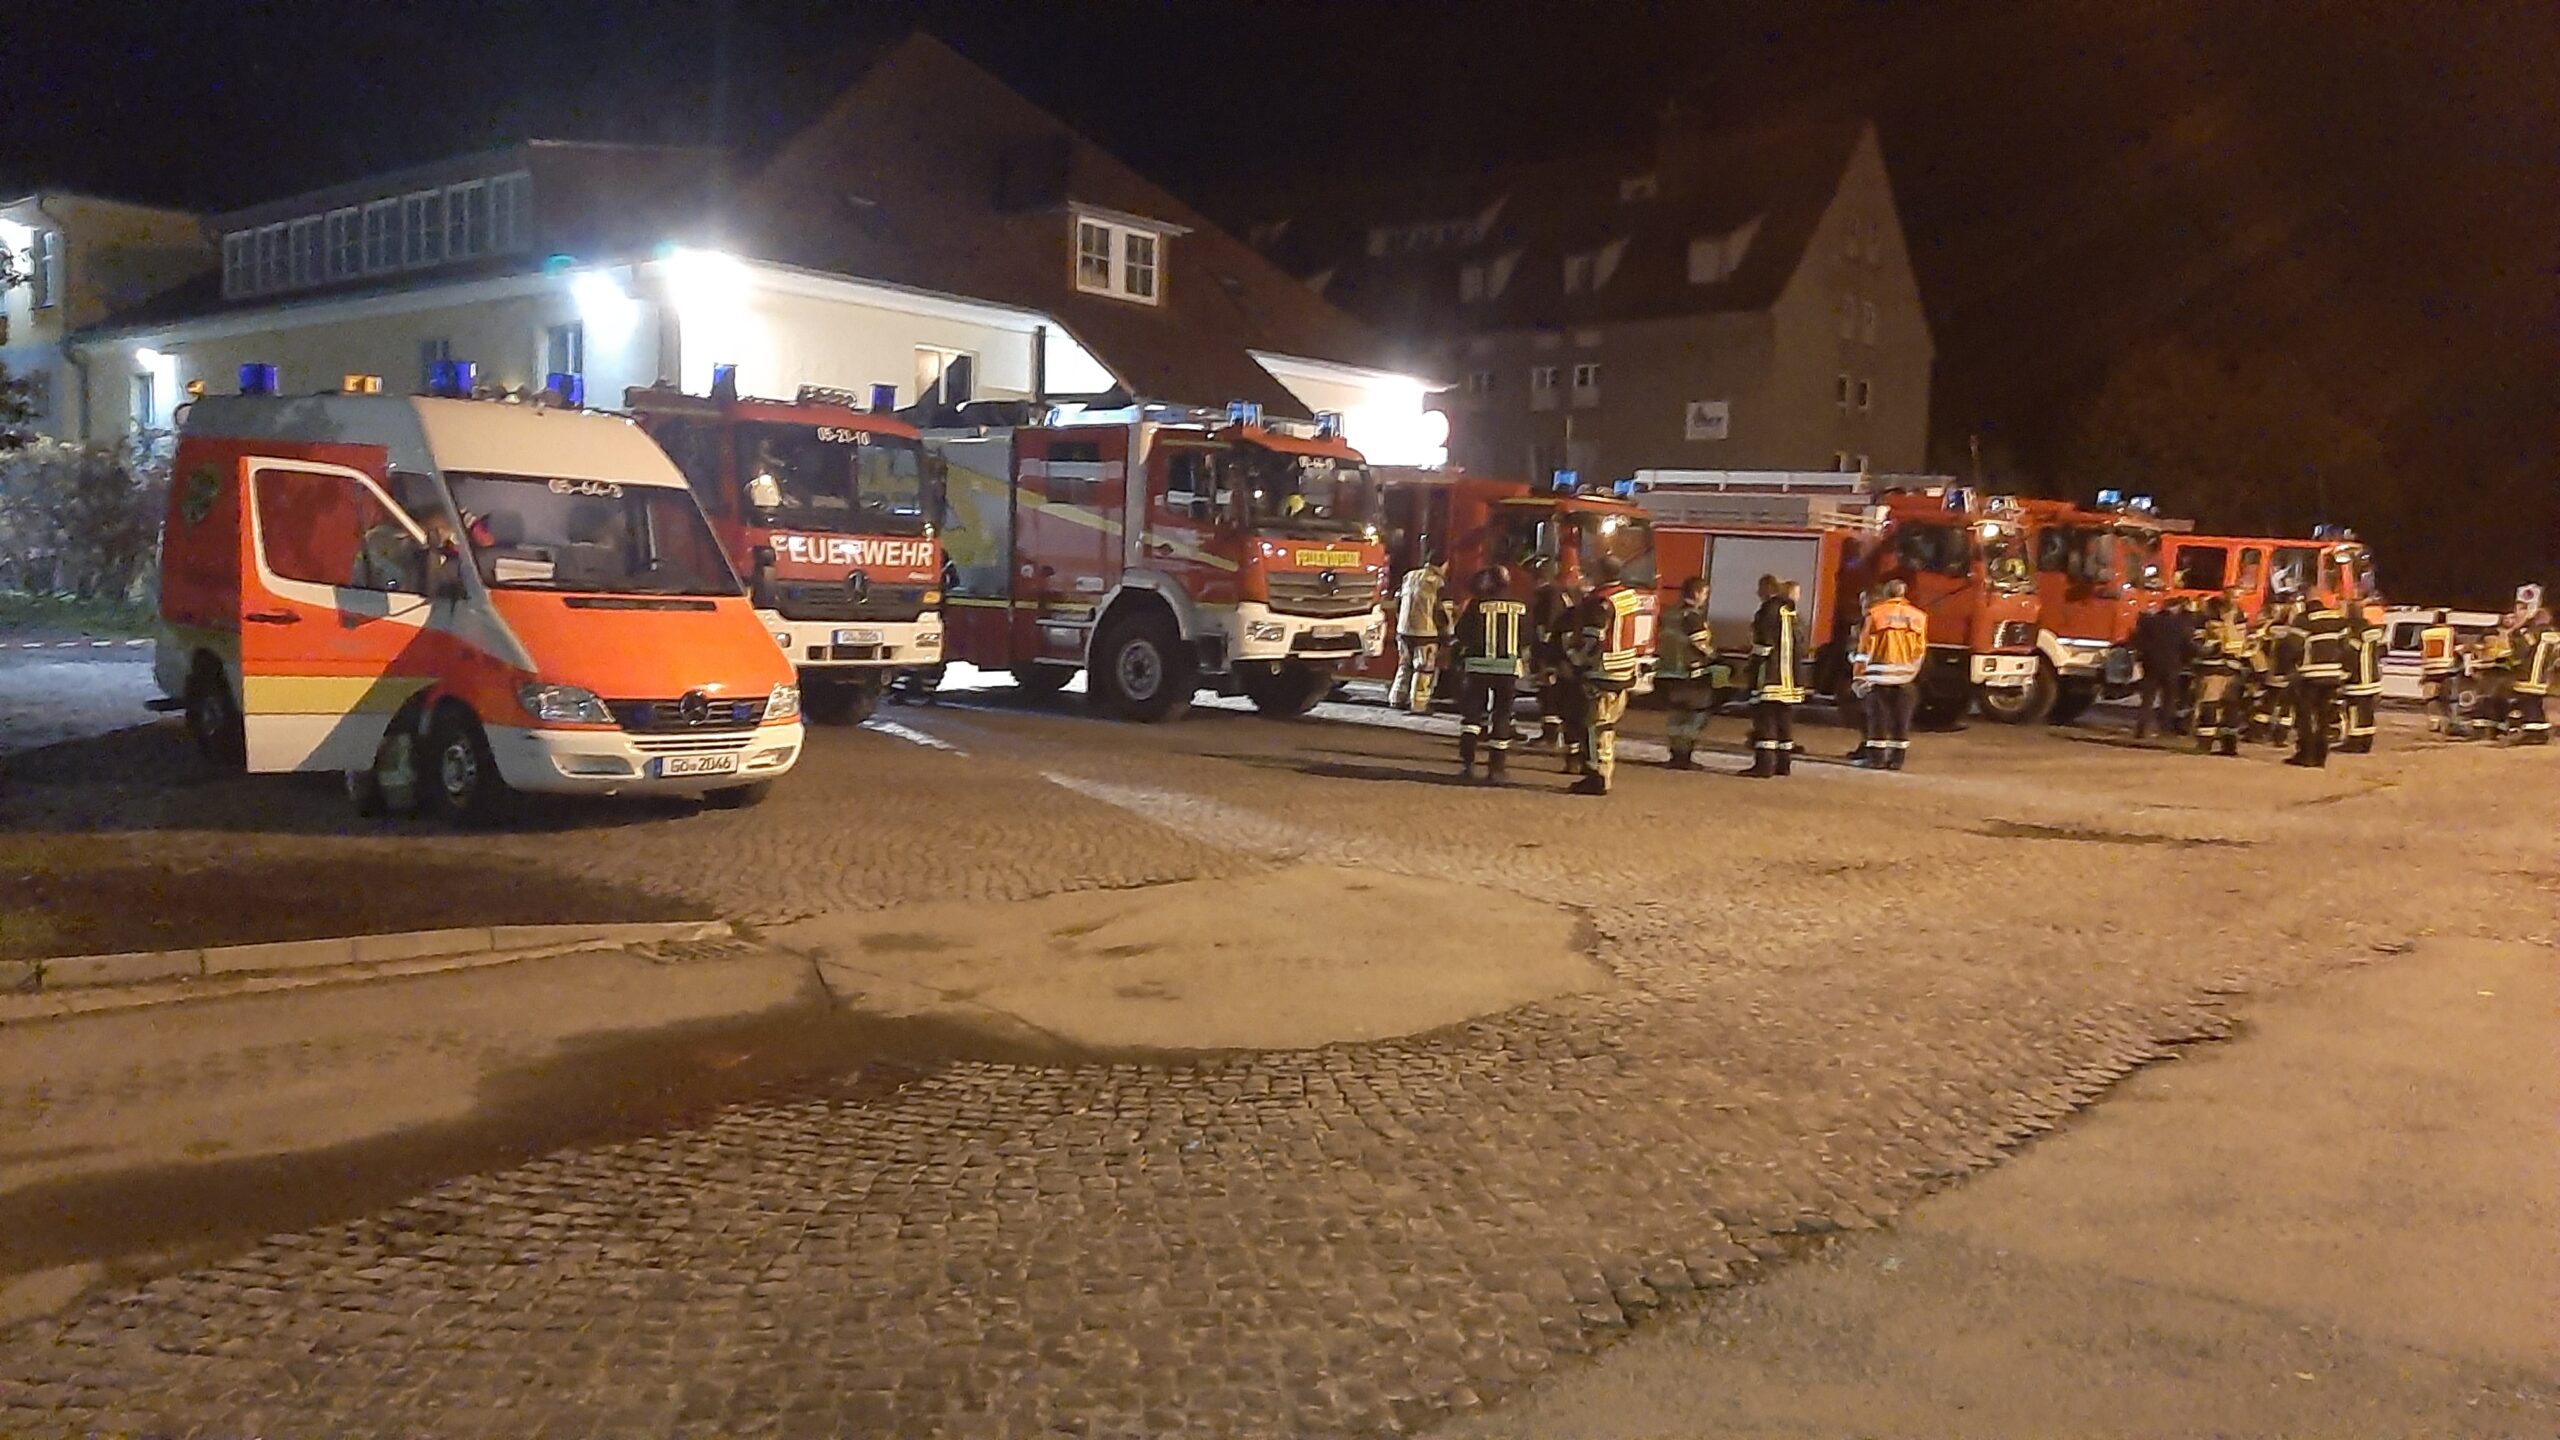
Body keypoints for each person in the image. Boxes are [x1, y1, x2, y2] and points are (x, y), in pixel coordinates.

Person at [1566, 555, 1644, 795]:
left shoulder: (1600, 601)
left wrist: (1575, 659)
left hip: (1601, 671)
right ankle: (1605, 773)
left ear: (1601, 573)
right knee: (1607, 726)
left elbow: (1593, 638)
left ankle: (1596, 775)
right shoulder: (1628, 596)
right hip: (1624, 670)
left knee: (1593, 725)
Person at [1448, 564, 1529, 782]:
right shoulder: (1520, 606)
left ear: (1489, 582)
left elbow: (1461, 633)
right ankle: (1497, 768)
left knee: (1472, 716)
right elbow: (1527, 636)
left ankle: (1467, 764)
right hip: (1508, 669)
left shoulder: (1478, 604)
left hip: (1478, 667)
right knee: (1502, 715)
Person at [1851, 579, 1927, 769]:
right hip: (1905, 678)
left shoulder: (1876, 614)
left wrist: (1859, 677)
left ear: (1886, 594)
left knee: (1878, 721)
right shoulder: (1918, 616)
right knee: (1900, 722)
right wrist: (1911, 672)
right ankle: (1896, 760)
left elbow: (1864, 649)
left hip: (1878, 677)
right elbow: (1920, 650)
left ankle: (1876, 759)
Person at [2277, 592, 2349, 767]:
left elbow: (2292, 646)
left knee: (2306, 716)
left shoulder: (2304, 620)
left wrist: (2285, 668)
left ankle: (2306, 754)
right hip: (2332, 676)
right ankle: (2320, 755)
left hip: (2309, 676)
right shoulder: (2338, 620)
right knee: (2324, 717)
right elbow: (2346, 647)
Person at [1746, 574, 1806, 778]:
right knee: (1784, 721)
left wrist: (1752, 667)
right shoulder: (1791, 612)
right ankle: (1783, 764)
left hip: (1770, 675)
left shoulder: (1767, 611)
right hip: (1791, 678)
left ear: (1767, 589)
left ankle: (1764, 765)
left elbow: (1763, 645)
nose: (1757, 593)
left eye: (1760, 588)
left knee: (1766, 720)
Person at [1527, 557, 1585, 766]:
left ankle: (1550, 736)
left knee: (1548, 695)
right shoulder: (1568, 592)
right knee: (1561, 697)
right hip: (1567, 655)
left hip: (1552, 653)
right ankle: (1565, 743)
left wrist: (1542, 657)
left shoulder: (1546, 595)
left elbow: (1545, 627)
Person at [1654, 576, 1716, 769]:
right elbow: (1700, 644)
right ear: (1696, 593)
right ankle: (1684, 756)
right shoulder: (1693, 617)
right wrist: (1716, 658)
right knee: (1693, 717)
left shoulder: (1669, 615)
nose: (1705, 597)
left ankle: (1675, 755)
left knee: (1676, 717)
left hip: (1668, 672)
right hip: (1689, 673)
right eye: (1705, 593)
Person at [1388, 547, 1446, 713]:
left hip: (1403, 630)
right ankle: (1419, 705)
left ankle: (1396, 698)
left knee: (1404, 665)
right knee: (1423, 668)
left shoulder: (1409, 576)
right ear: (1443, 565)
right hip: (1425, 633)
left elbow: (1397, 601)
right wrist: (1446, 633)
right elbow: (1441, 611)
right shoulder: (1437, 582)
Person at [2190, 595, 2249, 757]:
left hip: (2213, 670)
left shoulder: (2206, 623)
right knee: (2230, 709)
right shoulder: (2237, 624)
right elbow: (2240, 646)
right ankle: (2229, 745)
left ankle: (2205, 743)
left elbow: (2200, 647)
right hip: (2233, 670)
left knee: (2209, 705)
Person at [2129, 597, 2191, 740]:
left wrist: (2144, 655)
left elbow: (2137, 640)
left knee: (2148, 698)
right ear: (2176, 608)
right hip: (2171, 665)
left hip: (2151, 664)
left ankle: (2141, 729)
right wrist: (2187, 660)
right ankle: (2164, 730)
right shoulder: (2179, 624)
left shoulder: (2150, 621)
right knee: (2168, 699)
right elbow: (2186, 645)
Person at [2337, 598, 2385, 753]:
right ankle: (2366, 742)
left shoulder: (2351, 632)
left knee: (2354, 710)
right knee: (2367, 712)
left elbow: (2348, 654)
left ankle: (2355, 741)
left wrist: (2343, 674)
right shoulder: (2371, 631)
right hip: (2372, 678)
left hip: (2357, 679)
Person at [2512, 606, 2555, 746]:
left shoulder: (2535, 632)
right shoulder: (2553, 633)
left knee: (2528, 700)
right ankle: (2541, 731)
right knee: (2536, 701)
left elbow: (2522, 646)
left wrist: (2519, 628)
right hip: (2544, 675)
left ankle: (2532, 732)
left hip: (2530, 672)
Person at [2418, 609, 2464, 737]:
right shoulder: (2450, 632)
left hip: (2430, 671)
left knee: (2432, 698)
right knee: (2450, 699)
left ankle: (2434, 723)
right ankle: (2450, 724)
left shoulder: (2425, 633)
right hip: (2447, 670)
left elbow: (2422, 650)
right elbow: (2459, 649)